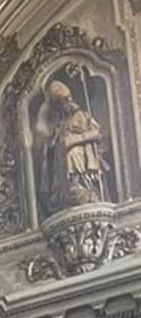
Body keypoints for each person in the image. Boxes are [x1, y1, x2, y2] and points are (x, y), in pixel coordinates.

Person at [37, 77, 110, 215]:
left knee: (72, 153)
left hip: (81, 154)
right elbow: (53, 144)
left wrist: (78, 139)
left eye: (66, 100)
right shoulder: (60, 124)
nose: (66, 105)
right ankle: (69, 189)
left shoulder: (82, 115)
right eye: (61, 103)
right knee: (65, 155)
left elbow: (97, 134)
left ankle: (79, 186)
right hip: (61, 160)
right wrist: (53, 143)